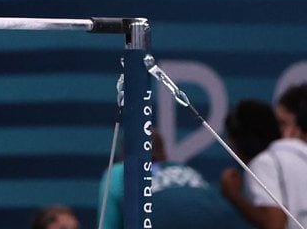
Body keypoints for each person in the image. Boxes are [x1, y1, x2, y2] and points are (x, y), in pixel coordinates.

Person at [97, 131, 244, 228]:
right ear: (164, 155)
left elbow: (108, 225)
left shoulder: (120, 171)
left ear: (124, 156)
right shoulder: (184, 170)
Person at [221, 84, 307, 229]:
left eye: (282, 123)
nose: (279, 132)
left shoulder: (266, 162)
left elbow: (275, 224)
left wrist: (234, 196)